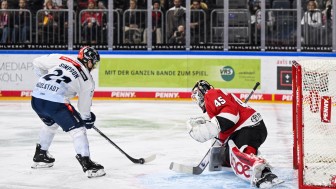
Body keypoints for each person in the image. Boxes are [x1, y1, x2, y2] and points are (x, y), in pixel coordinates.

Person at [187, 80, 282, 188]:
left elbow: (231, 114)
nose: (197, 100)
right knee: (229, 155)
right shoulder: (214, 97)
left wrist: (210, 128)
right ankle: (259, 166)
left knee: (235, 149)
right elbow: (225, 126)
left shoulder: (211, 94)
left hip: (249, 127)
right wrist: (218, 142)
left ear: (201, 92)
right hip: (249, 128)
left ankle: (261, 170)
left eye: (196, 95)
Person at [30, 46, 106, 178]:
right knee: (78, 130)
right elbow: (83, 110)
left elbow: (36, 62)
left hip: (36, 98)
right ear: (87, 60)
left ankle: (41, 154)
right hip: (55, 103)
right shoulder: (87, 79)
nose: (93, 66)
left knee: (51, 124)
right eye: (93, 62)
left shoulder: (62, 58)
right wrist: (87, 120)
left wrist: (47, 84)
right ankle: (88, 165)